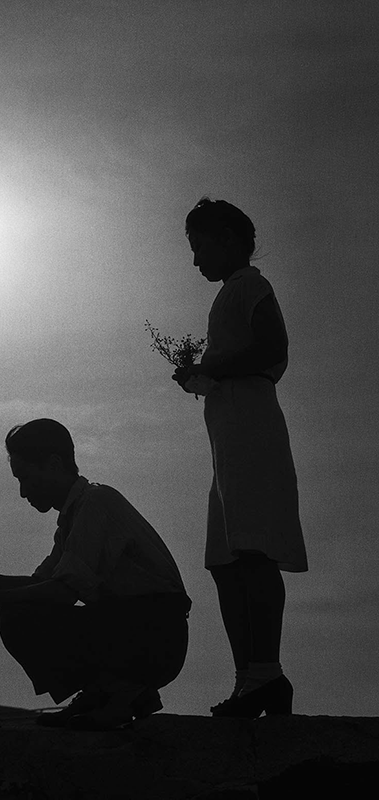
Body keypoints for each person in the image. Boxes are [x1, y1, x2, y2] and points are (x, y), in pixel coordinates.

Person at [0, 418, 191, 731]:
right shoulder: (73, 519)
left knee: (16, 617)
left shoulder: (96, 504)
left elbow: (62, 593)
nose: (22, 492)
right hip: (136, 630)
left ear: (52, 464)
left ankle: (120, 691)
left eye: (25, 477)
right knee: (18, 610)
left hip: (154, 636)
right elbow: (42, 584)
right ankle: (112, 691)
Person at [172, 197, 308, 718]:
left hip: (252, 434)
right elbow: (236, 365)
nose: (195, 259)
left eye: (199, 245)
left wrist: (215, 367)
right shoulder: (231, 293)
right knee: (226, 560)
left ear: (229, 238)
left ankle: (266, 675)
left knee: (251, 553)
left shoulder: (250, 284)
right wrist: (201, 377)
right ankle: (250, 678)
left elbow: (273, 349)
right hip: (229, 441)